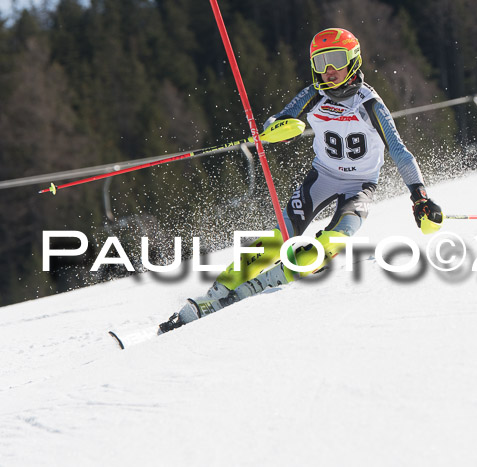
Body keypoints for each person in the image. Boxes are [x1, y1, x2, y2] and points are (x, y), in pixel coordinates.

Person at [158, 28, 443, 334]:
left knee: (335, 240)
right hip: (321, 178)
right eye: (320, 63)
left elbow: (399, 151)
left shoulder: (370, 103)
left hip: (360, 187)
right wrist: (273, 130)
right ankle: (213, 296)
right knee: (277, 238)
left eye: (335, 60)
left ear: (354, 61)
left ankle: (256, 288)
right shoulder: (313, 94)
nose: (328, 70)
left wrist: (420, 196)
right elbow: (279, 119)